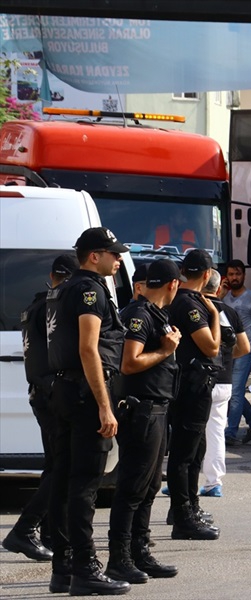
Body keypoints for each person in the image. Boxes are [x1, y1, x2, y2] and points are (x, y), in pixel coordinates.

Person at [45, 227, 130, 595]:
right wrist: (104, 406)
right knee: (84, 485)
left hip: (62, 391)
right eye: (113, 254)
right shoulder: (90, 290)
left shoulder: (62, 288)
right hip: (84, 395)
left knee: (63, 480)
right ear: (93, 256)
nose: (118, 259)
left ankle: (63, 568)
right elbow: (88, 349)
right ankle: (85, 569)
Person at [106, 259, 184, 584]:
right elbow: (129, 362)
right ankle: (119, 558)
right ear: (173, 285)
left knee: (150, 486)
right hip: (142, 410)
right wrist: (167, 351)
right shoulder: (139, 314)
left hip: (157, 409)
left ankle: (140, 552)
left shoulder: (154, 314)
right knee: (133, 486)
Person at [2, 254, 78, 562]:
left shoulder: (37, 303)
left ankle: (50, 532)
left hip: (41, 393)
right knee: (64, 467)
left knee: (55, 464)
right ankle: (25, 529)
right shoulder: (56, 307)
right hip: (54, 394)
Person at [166, 249, 221, 540]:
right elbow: (212, 347)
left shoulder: (178, 299)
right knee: (185, 453)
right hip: (191, 385)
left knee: (194, 449)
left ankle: (188, 507)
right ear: (207, 274)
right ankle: (183, 515)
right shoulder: (191, 303)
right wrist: (213, 315)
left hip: (185, 383)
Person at [201, 270, 249, 497]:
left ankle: (182, 480)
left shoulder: (194, 308)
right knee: (217, 431)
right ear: (219, 289)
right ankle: (214, 482)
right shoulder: (230, 312)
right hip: (224, 380)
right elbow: (245, 348)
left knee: (190, 431)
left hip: (199, 378)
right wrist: (227, 358)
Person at [222, 259, 251, 446]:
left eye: (238, 274)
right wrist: (221, 294)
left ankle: (231, 432)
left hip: (247, 350)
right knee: (233, 392)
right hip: (228, 351)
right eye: (231, 274)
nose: (234, 277)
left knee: (234, 391)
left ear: (244, 275)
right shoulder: (223, 297)